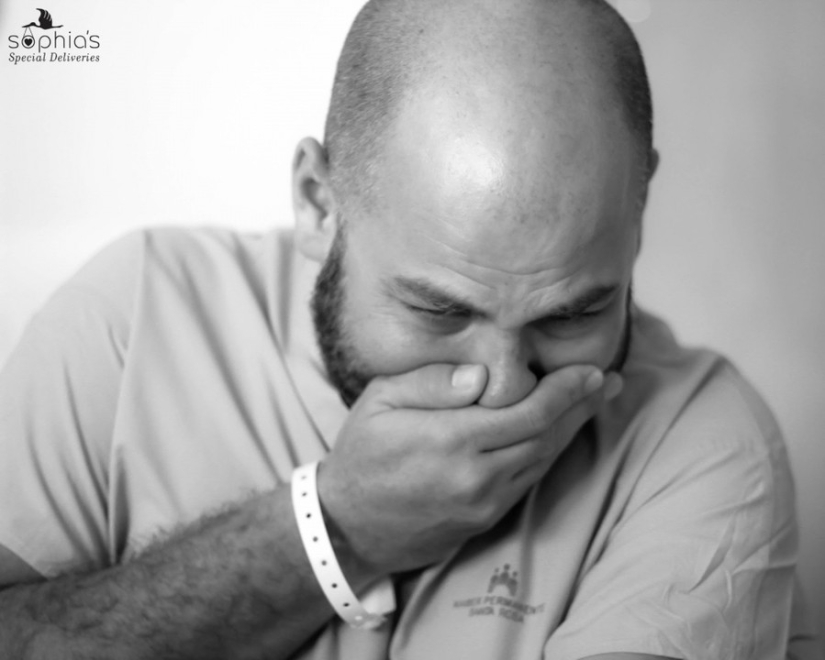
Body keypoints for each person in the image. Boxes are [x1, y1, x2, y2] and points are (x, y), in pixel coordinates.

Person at [0, 0, 820, 658]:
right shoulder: (132, 315)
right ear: (319, 203)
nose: (500, 390)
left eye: (572, 313)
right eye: (438, 309)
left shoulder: (702, 441)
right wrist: (334, 531)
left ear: (638, 210)